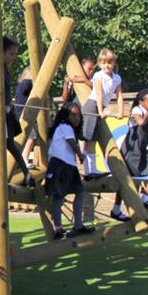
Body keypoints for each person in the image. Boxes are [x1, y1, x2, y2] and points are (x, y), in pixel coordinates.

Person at [111, 89, 148, 221]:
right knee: (126, 181)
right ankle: (116, 209)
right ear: (141, 102)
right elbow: (141, 122)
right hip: (131, 150)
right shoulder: (137, 110)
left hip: (142, 150)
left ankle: (144, 198)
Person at [45, 102, 95, 239]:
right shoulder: (65, 126)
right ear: (66, 115)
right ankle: (59, 229)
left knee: (79, 192)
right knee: (59, 197)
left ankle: (77, 226)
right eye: (73, 115)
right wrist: (80, 155)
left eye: (78, 115)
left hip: (68, 164)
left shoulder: (66, 128)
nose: (77, 118)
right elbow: (72, 143)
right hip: (60, 164)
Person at [81, 48, 124, 177]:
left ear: (114, 64)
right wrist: (101, 111)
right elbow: (99, 94)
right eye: (104, 63)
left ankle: (92, 169)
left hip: (101, 106)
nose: (107, 65)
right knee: (89, 138)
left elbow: (119, 95)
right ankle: (89, 169)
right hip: (93, 105)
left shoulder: (116, 78)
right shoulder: (98, 76)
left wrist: (121, 111)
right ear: (99, 64)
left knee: (93, 139)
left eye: (110, 63)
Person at [3, 36, 33, 186]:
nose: (13, 57)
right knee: (8, 144)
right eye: (11, 53)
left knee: (10, 144)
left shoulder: (5, 70)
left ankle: (26, 173)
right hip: (0, 113)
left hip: (7, 112)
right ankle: (24, 172)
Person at [15, 66, 37, 168]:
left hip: (21, 114)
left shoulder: (21, 85)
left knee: (27, 138)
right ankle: (24, 158)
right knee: (31, 138)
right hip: (24, 115)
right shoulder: (26, 83)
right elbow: (31, 84)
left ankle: (22, 159)